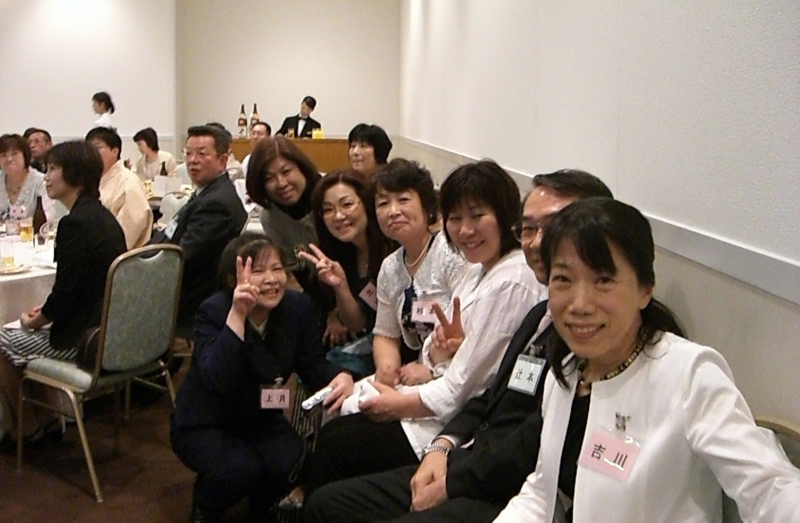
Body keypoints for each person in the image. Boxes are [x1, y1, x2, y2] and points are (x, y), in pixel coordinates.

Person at [303, 170, 615, 523]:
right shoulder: (529, 307)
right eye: (530, 228)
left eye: (403, 200)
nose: (393, 211)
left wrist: (447, 464)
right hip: (470, 440)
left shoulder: (514, 283)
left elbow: (494, 408)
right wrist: (443, 436)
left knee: (339, 448)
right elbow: (487, 389)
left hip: (488, 463)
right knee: (332, 455)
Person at [493, 197, 800, 522]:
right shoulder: (568, 371)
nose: (580, 304)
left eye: (603, 280)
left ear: (644, 290)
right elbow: (544, 489)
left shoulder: (689, 375)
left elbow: (769, 487)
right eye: (563, 280)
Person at [171, 234, 355, 523]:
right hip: (207, 421)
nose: (271, 279)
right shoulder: (215, 310)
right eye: (257, 271)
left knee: (292, 462)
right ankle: (206, 507)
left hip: (260, 416)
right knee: (240, 470)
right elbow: (217, 378)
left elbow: (313, 364)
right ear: (233, 279)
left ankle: (259, 509)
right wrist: (237, 315)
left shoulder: (296, 308)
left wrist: (340, 376)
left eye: (277, 269)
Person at [0, 141, 126, 440]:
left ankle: (26, 429)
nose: (46, 177)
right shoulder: (102, 217)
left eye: (53, 169)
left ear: (76, 176)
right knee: (23, 335)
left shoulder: (75, 225)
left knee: (3, 339)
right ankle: (49, 419)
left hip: (83, 340)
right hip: (109, 330)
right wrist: (45, 313)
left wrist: (38, 320)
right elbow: (74, 290)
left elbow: (64, 296)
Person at [150, 124, 248, 338]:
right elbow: (171, 233)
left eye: (202, 154)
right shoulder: (207, 192)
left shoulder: (217, 204)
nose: (192, 160)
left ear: (223, 161)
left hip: (189, 296)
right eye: (188, 153)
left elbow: (183, 256)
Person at [299, 169, 397, 377]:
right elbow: (357, 323)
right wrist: (340, 286)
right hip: (376, 342)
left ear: (367, 203)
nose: (338, 216)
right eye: (328, 209)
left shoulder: (393, 247)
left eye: (347, 204)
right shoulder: (346, 253)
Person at [246, 135, 322, 294]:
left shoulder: (328, 196)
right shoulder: (271, 218)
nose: (281, 183)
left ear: (301, 167)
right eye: (269, 178)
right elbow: (298, 271)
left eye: (286, 171)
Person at [86, 126, 153, 250]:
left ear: (115, 152)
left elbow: (126, 235)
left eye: (97, 148)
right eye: (88, 149)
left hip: (120, 257)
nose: (91, 154)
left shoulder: (128, 183)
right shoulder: (92, 181)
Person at [0, 134, 56, 225]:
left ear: (25, 156)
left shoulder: (41, 181)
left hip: (32, 233)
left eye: (14, 154)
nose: (9, 159)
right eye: (3, 155)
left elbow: (49, 217)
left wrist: (24, 224)